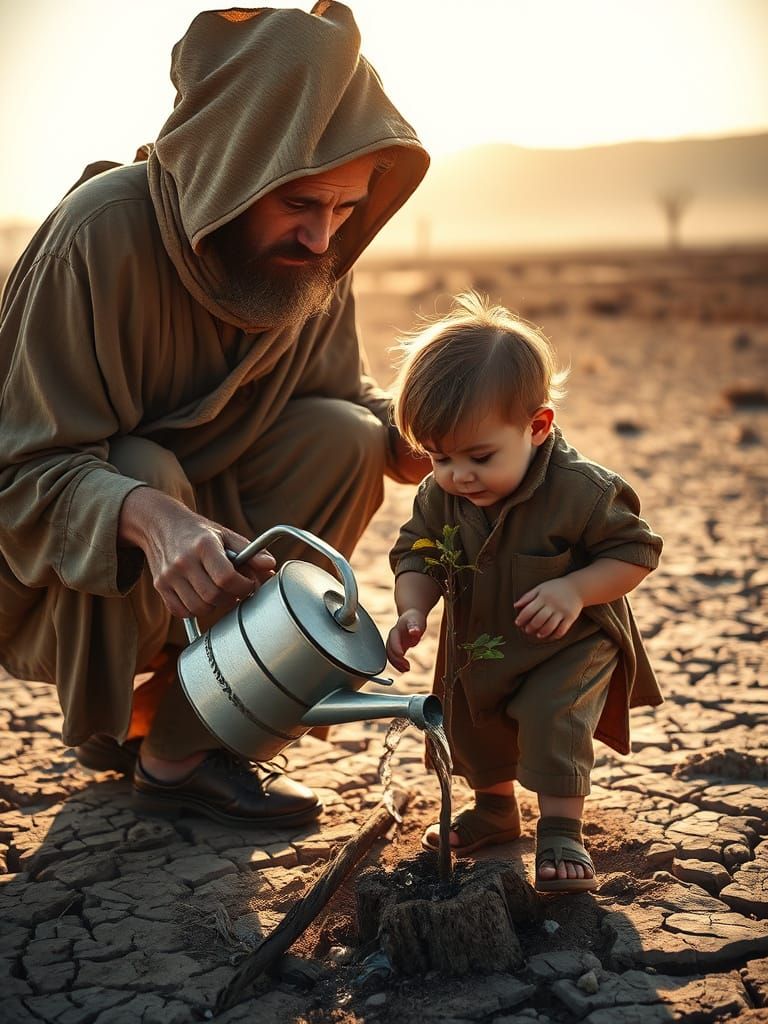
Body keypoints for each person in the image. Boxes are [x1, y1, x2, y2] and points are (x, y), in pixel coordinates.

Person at [0, 3, 430, 828]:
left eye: (344, 209)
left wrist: (407, 436)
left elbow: (340, 391)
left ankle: (180, 735)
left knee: (346, 437)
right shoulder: (97, 237)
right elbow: (18, 470)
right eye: (301, 203)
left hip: (215, 537)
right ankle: (133, 704)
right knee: (141, 469)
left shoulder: (311, 261)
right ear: (232, 168)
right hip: (65, 574)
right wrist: (153, 519)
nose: (321, 237)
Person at [386, 292, 663, 893]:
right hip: (481, 641)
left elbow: (636, 550)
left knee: (551, 717)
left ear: (537, 427)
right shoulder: (444, 495)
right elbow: (418, 551)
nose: (459, 474)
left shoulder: (581, 490)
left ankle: (562, 831)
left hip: (571, 641)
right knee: (470, 719)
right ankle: (494, 809)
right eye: (439, 457)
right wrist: (413, 607)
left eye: (480, 456)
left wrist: (574, 589)